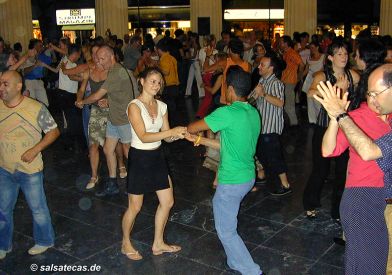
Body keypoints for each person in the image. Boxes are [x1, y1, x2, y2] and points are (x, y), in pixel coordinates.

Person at [314, 64, 392, 275]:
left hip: (382, 201)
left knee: (365, 264)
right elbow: (328, 150)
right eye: (369, 93)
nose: (372, 99)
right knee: (370, 266)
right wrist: (334, 118)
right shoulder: (357, 117)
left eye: (377, 94)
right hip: (361, 199)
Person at [187, 66, 262, 275]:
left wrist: (185, 132)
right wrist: (201, 141)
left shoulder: (227, 113)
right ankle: (234, 261)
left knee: (226, 230)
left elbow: (194, 126)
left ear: (229, 89)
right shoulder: (252, 112)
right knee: (229, 220)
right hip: (248, 177)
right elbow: (229, 145)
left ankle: (252, 270)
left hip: (231, 181)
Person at [121, 68, 186, 260]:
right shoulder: (134, 106)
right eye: (152, 80)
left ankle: (158, 243)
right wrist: (170, 132)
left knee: (168, 201)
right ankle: (125, 242)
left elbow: (166, 137)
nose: (156, 85)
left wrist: (179, 134)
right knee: (135, 206)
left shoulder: (162, 106)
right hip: (139, 158)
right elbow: (143, 135)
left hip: (157, 157)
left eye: (159, 82)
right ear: (141, 81)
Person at [0, 70, 60, 259]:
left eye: (5, 84)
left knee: (38, 208)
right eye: (0, 83)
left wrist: (34, 150)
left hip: (30, 169)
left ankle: (44, 240)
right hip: (4, 168)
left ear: (19, 86)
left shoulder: (35, 107)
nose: (1, 88)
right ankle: (3, 245)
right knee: (3, 209)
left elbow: (53, 132)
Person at [303, 40, 360, 219]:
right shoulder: (322, 75)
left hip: (345, 129)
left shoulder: (353, 75)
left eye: (345, 54)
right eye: (339, 54)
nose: (344, 57)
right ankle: (310, 203)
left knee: (343, 171)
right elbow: (311, 93)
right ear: (330, 57)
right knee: (320, 169)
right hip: (324, 128)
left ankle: (338, 210)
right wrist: (337, 89)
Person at [76, 46, 139, 197]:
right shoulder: (113, 71)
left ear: (111, 57)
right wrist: (109, 102)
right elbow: (118, 93)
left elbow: (97, 95)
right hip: (113, 117)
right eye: (97, 58)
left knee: (128, 151)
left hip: (123, 118)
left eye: (102, 59)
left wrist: (83, 102)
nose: (99, 62)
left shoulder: (117, 72)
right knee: (107, 149)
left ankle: (137, 180)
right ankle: (112, 183)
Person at [250, 52, 292, 196]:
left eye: (263, 65)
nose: (259, 66)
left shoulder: (276, 83)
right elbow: (252, 100)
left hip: (271, 127)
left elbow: (280, 102)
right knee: (259, 152)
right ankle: (261, 174)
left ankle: (285, 184)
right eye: (260, 64)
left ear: (271, 68)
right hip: (261, 126)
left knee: (274, 156)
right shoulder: (261, 81)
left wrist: (263, 95)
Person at [280, 35, 305, 126]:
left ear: (286, 43)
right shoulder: (285, 53)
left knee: (289, 105)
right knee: (286, 104)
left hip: (290, 81)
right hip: (285, 80)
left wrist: (299, 76)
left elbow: (302, 64)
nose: (280, 43)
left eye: (281, 42)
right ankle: (292, 124)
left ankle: (294, 125)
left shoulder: (292, 53)